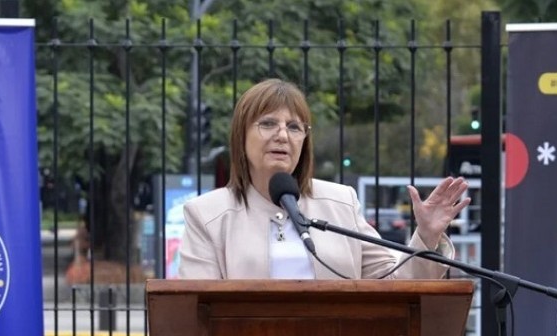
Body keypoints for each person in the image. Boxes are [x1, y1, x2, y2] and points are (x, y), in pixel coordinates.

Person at [178, 78, 471, 280]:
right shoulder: (207, 214)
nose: (282, 135)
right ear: (241, 136)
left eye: (294, 127)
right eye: (268, 123)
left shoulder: (340, 202)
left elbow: (395, 282)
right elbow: (195, 311)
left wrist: (427, 236)